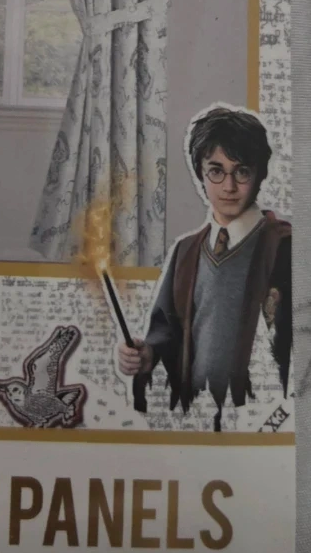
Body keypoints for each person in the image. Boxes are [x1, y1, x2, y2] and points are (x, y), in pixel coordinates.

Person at [118, 106, 291, 428]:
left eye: (242, 171)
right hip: (196, 414)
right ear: (200, 173)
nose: (228, 186)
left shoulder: (284, 248)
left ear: (260, 173)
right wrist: (147, 355)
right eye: (216, 171)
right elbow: (165, 330)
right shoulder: (186, 251)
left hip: (257, 418)